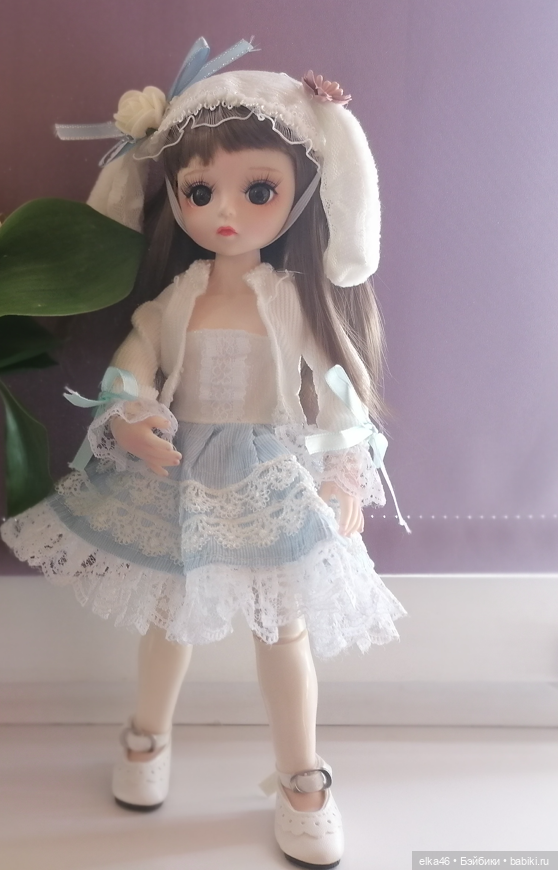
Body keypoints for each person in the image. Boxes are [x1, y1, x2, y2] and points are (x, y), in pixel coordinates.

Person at [0, 39, 407, 869]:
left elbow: (336, 385)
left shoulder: (291, 300)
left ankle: (302, 776)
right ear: (177, 194)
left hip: (266, 474)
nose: (226, 213)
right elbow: (133, 363)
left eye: (258, 190)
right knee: (168, 618)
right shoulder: (176, 298)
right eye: (199, 191)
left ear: (299, 194)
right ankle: (146, 737)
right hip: (178, 472)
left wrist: (342, 469)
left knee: (284, 629)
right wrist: (130, 414)